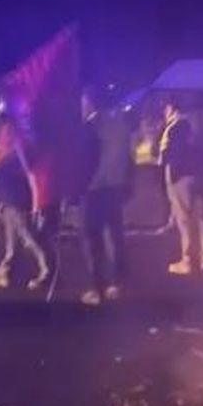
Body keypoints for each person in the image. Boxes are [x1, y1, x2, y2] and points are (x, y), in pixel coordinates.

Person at [0, 115, 52, 291]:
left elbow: (16, 163)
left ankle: (46, 267)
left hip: (12, 191)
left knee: (24, 233)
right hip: (9, 190)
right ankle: (4, 272)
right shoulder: (16, 132)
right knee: (11, 236)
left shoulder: (13, 134)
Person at [79, 89, 133, 305]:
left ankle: (95, 287)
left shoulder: (89, 128)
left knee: (91, 238)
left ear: (91, 104)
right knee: (113, 235)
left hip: (92, 189)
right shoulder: (121, 126)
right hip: (115, 187)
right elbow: (128, 157)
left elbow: (83, 160)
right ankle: (116, 283)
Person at [159, 100, 203, 275]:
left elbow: (170, 154)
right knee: (199, 219)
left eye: (164, 109)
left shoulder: (176, 127)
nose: (163, 113)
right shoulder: (193, 125)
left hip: (180, 177)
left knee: (184, 220)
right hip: (196, 175)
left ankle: (187, 261)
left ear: (171, 109)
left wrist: (172, 170)